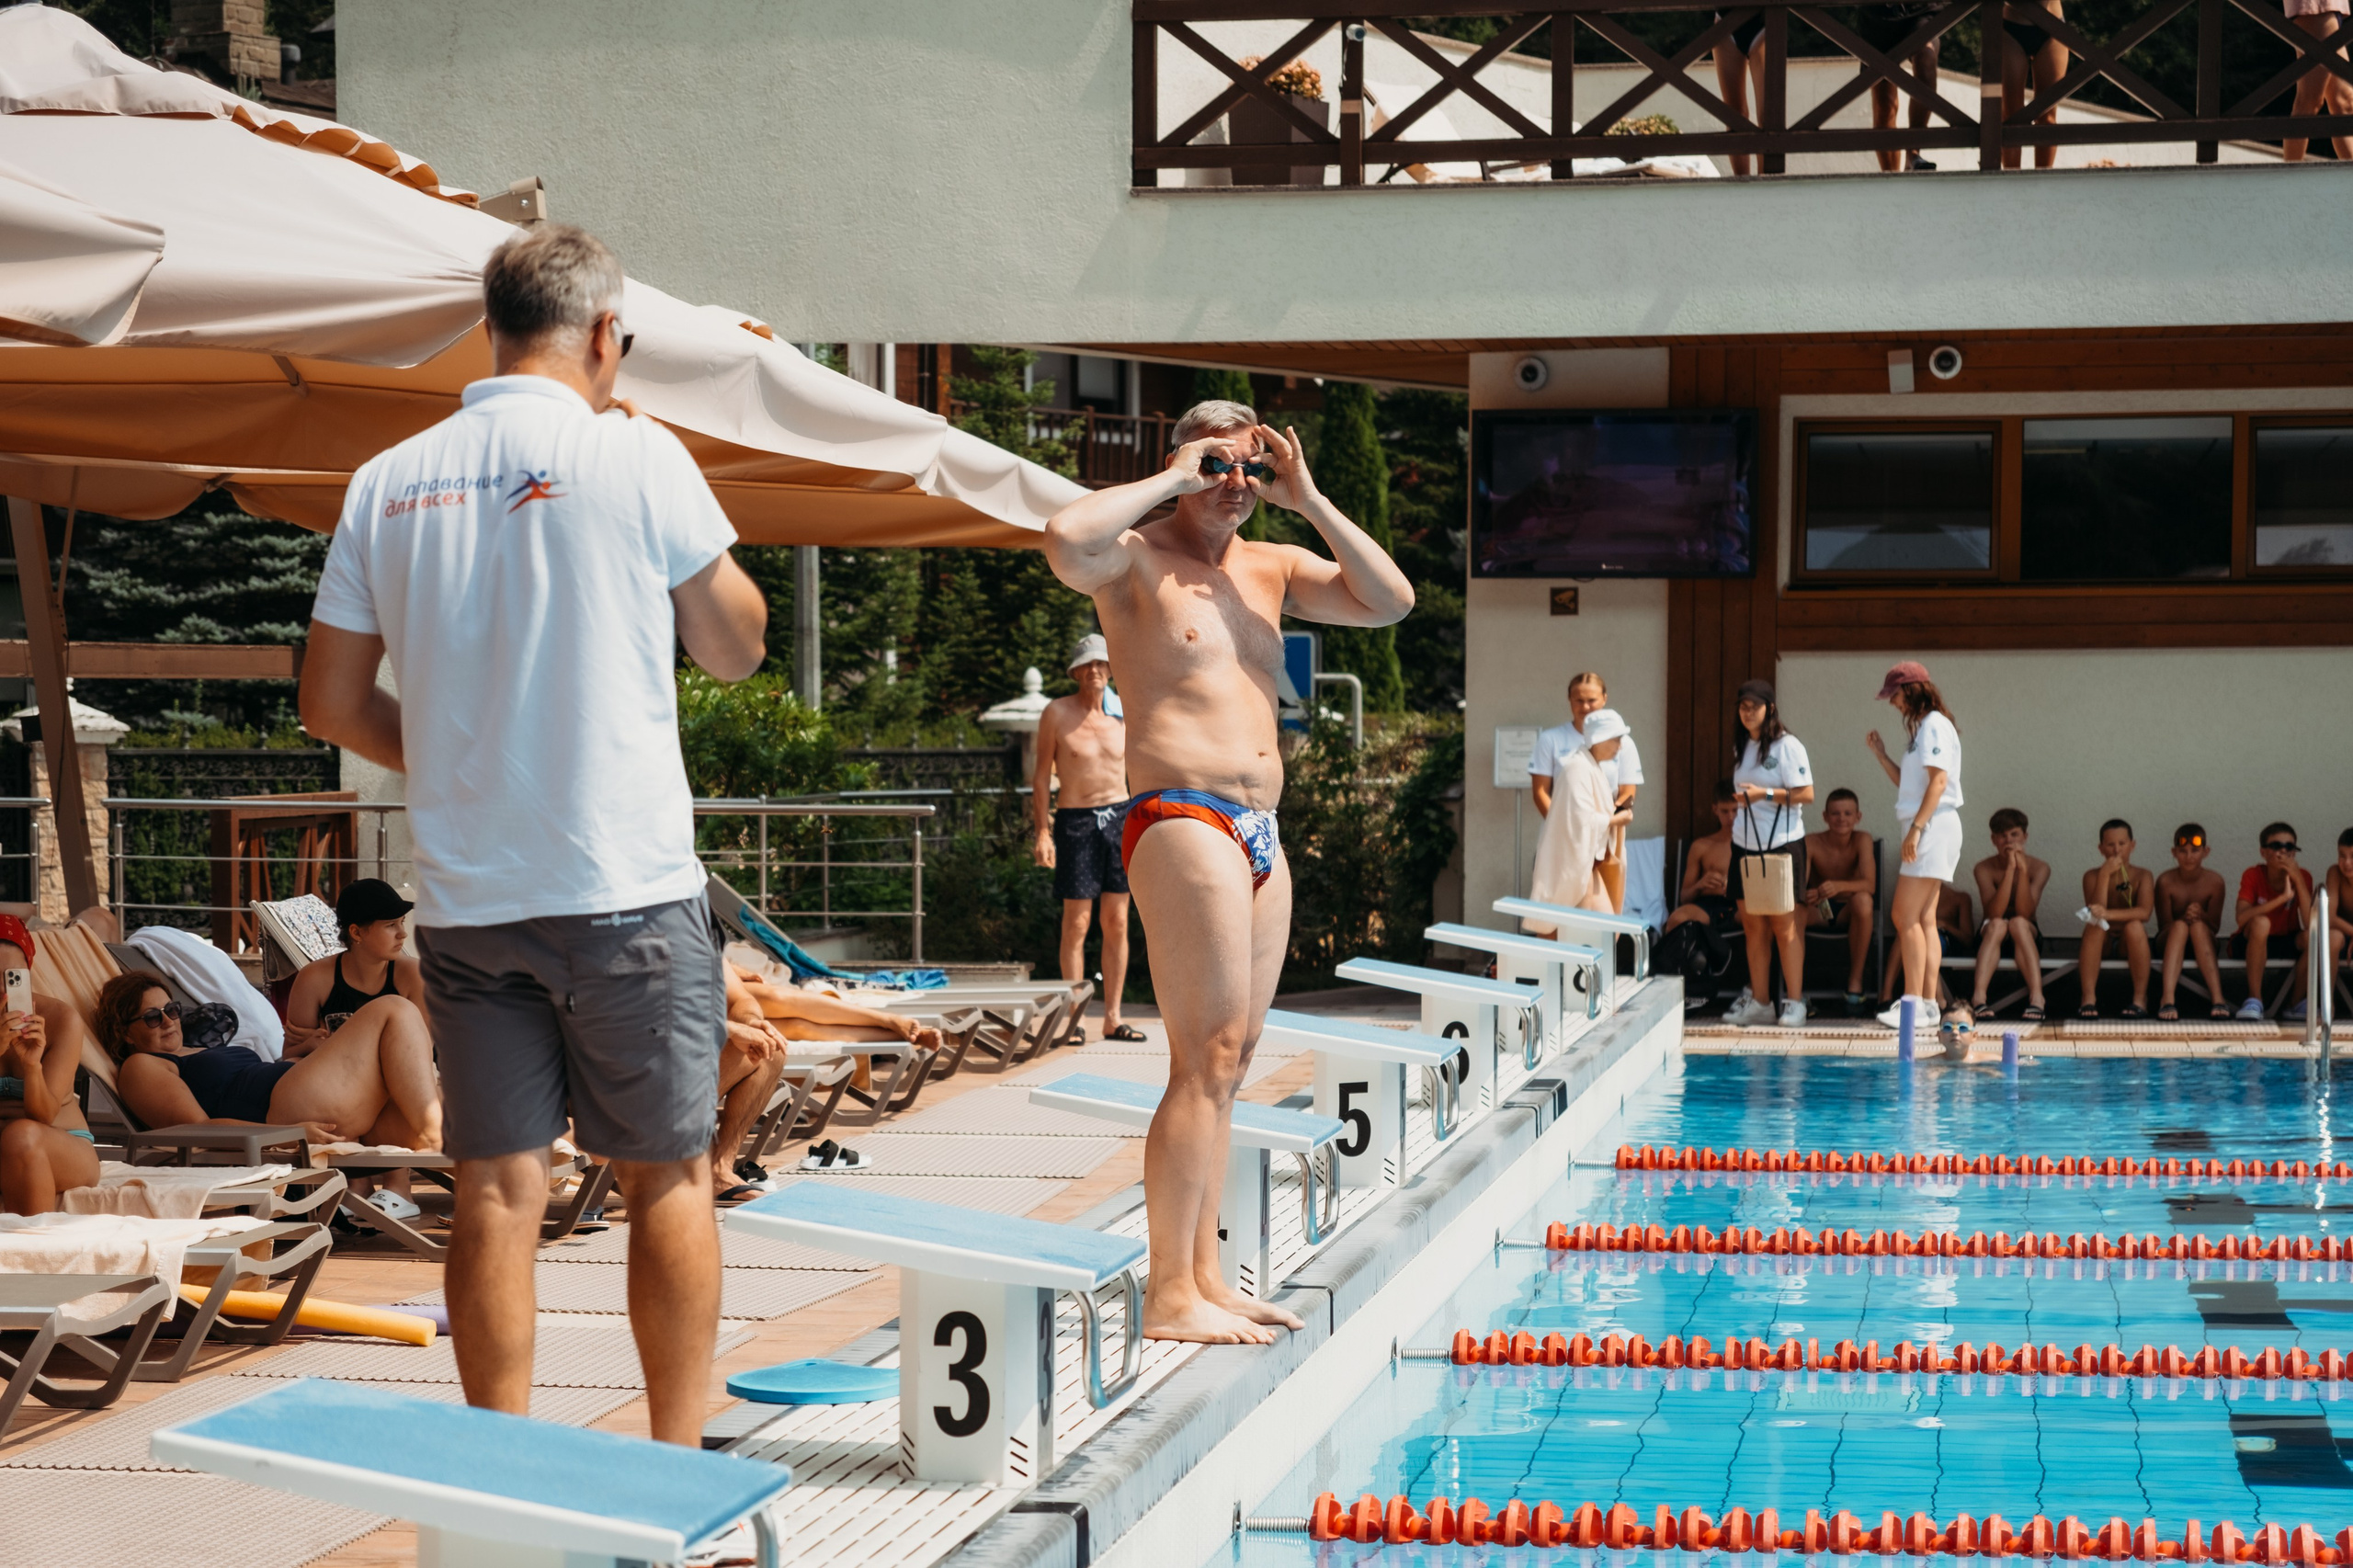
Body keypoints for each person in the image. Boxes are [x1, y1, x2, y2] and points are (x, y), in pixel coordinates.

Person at [298, 222, 769, 1444]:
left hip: (468, 902)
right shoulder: (637, 452)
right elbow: (736, 645)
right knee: (664, 1174)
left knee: (496, 1187)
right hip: (625, 886)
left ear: (491, 329)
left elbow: (332, 702)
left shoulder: (387, 478)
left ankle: (504, 1479)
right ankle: (673, 1471)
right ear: (608, 335)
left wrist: (460, 755)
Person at [1042, 397, 1412, 1345]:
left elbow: (1391, 600)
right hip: (1181, 813)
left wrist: (1311, 497)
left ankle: (1204, 1274)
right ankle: (1168, 1288)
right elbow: (1061, 532)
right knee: (1198, 1055)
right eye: (1221, 464)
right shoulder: (1131, 560)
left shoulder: (1271, 569)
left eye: (1250, 467)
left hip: (1258, 825)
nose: (1234, 483)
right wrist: (1179, 472)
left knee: (1232, 1062)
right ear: (1185, 456)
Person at [104, 970, 442, 1150]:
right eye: (152, 1017)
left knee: (451, 1108)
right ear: (125, 1033)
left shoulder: (195, 1051)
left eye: (172, 1010)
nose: (168, 1021)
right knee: (393, 1008)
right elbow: (196, 1129)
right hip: (285, 1111)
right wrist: (286, 1133)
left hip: (307, 1094)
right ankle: (437, 1135)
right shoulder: (141, 1066)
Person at [1031, 632, 1142, 1042]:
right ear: (1076, 671)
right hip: (1076, 820)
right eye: (1087, 664)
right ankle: (1074, 1018)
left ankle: (1113, 1016)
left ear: (1110, 670)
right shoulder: (1057, 714)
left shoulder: (1124, 714)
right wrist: (1043, 832)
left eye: (1101, 664)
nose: (1095, 670)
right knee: (1076, 923)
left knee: (1116, 921)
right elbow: (1042, 777)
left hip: (1120, 817)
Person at [1865, 660, 1965, 1036]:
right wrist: (1881, 754)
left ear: (1911, 690)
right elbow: (1910, 786)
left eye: (1894, 695)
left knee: (1903, 917)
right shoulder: (1924, 729)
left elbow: (1938, 783)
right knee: (1923, 920)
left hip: (1932, 827)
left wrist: (1917, 830)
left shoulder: (1934, 725)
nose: (1892, 703)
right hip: (1929, 826)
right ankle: (1925, 1005)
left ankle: (1913, 1003)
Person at [1722, 680, 1815, 1028]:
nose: (1748, 712)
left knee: (1784, 926)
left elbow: (1806, 794)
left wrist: (1766, 794)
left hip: (1781, 843)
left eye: (1755, 706)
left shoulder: (1788, 746)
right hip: (1745, 843)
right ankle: (1761, 1001)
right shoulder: (1742, 745)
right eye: (1743, 706)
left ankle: (1794, 1001)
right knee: (1753, 925)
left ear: (1770, 708)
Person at [0, 917, 101, 1215]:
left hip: (60, 1141)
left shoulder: (59, 1019)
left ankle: (33, 1253)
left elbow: (42, 1115)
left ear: (27, 972)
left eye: (11, 976)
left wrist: (32, 1066)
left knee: (21, 1136)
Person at [285, 879, 426, 1059]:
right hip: (339, 1076)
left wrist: (334, 1042)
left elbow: (418, 1054)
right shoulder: (314, 979)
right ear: (356, 933)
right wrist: (311, 1044)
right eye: (391, 925)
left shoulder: (415, 975)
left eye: (402, 922)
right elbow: (289, 1054)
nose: (403, 933)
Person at [1529, 710, 1627, 917]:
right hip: (1574, 865)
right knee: (1580, 936)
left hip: (1588, 864)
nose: (1620, 746)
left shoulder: (1590, 766)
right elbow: (1578, 821)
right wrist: (1616, 819)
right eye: (1617, 739)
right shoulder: (1578, 768)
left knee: (1606, 932)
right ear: (1600, 739)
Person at [1967, 808, 2051, 1022]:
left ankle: (2037, 999)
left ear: (2025, 837)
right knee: (1998, 924)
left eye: (2014, 835)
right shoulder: (1983, 868)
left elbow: (2026, 912)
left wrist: (2021, 871)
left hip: (2026, 935)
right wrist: (2010, 871)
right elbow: (1993, 912)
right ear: (1994, 840)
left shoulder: (2040, 867)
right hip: (1992, 936)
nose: (2008, 841)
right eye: (2002, 836)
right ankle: (1978, 999)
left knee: (2018, 923)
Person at [1803, 788, 1880, 1015]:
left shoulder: (1862, 839)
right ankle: (1795, 991)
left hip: (1848, 910)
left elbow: (1870, 885)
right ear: (1825, 817)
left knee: (1864, 901)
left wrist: (1839, 886)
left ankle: (1855, 983)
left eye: (1848, 813)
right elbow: (1798, 886)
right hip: (1819, 910)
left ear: (1858, 817)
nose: (1841, 819)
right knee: (1793, 911)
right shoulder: (1811, 842)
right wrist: (1808, 894)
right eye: (1835, 813)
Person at [1529, 671, 1643, 822]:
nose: (1585, 707)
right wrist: (1561, 828)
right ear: (1569, 699)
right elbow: (1540, 792)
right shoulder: (1550, 739)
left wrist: (1609, 823)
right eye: (1579, 700)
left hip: (1606, 835)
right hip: (1563, 834)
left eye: (1592, 700)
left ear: (1604, 699)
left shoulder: (1624, 742)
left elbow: (1628, 792)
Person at [2073, 820, 2155, 1019]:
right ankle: (2088, 998)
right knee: (2095, 926)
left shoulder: (2142, 875)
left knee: (2134, 926)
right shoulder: (2092, 876)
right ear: (2101, 849)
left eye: (2122, 843)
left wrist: (2109, 914)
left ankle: (2139, 999)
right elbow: (2094, 911)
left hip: (2130, 941)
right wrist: (2104, 875)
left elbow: (2144, 913)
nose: (2116, 850)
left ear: (2132, 845)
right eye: (2110, 845)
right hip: (2104, 941)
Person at [2234, 822, 2316, 1021]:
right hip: (2251, 941)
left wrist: (2296, 877)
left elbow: (2309, 923)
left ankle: (2295, 1003)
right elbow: (2241, 918)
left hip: (2286, 939)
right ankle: (2255, 999)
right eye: (2276, 846)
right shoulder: (2253, 874)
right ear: (2263, 852)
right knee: (2261, 923)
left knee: (2313, 937)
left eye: (2289, 847)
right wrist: (2280, 899)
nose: (2283, 851)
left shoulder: (2303, 876)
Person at [1854, 2, 1942, 171]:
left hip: (1921, 9)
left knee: (1926, 60)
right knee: (1884, 105)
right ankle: (1890, 176)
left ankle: (1914, 153)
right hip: (1876, 15)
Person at [2156, 823, 2230, 1022]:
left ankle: (2218, 997)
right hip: (2171, 941)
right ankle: (2168, 998)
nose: (2189, 857)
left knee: (2198, 927)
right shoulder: (2165, 881)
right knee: (2180, 927)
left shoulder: (2215, 882)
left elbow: (2214, 926)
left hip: (2203, 941)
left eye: (2195, 851)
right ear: (2174, 852)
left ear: (2206, 852)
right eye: (2183, 851)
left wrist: (2201, 916)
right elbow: (2163, 925)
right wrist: (2183, 919)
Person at [2000, 0, 2070, 170]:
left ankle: (2044, 181)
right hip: (2011, 25)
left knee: (2047, 117)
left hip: (2052, 25)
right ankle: (2011, 182)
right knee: (2012, 117)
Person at [1666, 779, 1741, 936]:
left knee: (1764, 918)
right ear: (1715, 810)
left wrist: (1737, 885)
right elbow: (1684, 897)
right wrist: (1700, 884)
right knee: (1677, 919)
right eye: (1725, 811)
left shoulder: (1754, 844)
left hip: (1742, 906)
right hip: (1708, 905)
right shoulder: (1702, 846)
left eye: (1735, 810)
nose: (1731, 817)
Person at [2283, 0, 2353, 162]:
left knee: (2344, 102)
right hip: (2317, 6)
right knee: (2309, 101)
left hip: (2330, 6)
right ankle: (2287, 181)